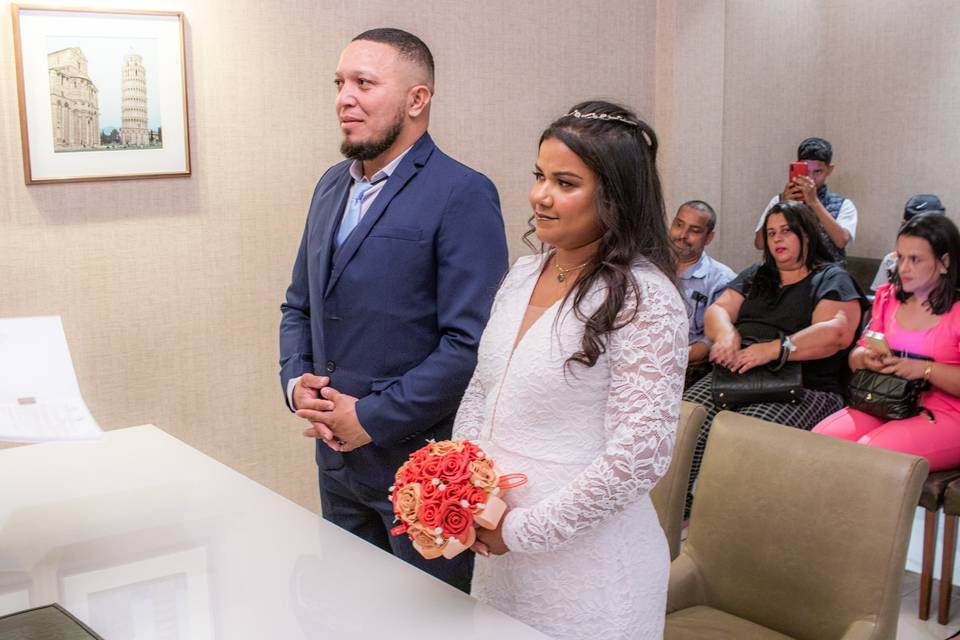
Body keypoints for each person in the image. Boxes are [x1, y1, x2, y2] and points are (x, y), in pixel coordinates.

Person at [278, 28, 508, 593]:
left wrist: (371, 419)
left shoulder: (463, 193)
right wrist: (295, 383)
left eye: (363, 83)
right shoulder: (330, 186)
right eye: (339, 83)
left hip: (419, 470)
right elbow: (298, 306)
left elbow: (469, 345)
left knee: (421, 621)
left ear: (416, 100)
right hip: (335, 465)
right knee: (349, 610)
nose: (343, 98)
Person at [452, 101, 686, 640]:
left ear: (615, 196)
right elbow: (482, 391)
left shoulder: (644, 298)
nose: (540, 195)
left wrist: (523, 529)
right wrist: (464, 487)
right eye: (539, 175)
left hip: (589, 573)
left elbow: (639, 457)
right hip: (499, 552)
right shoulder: (523, 272)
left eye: (565, 182)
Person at [686, 200, 863, 509]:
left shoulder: (831, 278)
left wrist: (771, 350)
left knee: (740, 438)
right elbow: (718, 309)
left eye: (786, 231)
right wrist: (726, 334)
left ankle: (724, 522)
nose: (777, 239)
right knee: (683, 421)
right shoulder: (758, 274)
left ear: (807, 235)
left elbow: (836, 333)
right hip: (739, 375)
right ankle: (679, 510)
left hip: (804, 386)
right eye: (771, 233)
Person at [814, 214, 960, 469]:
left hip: (946, 414)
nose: (903, 268)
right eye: (900, 257)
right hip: (886, 401)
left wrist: (925, 370)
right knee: (819, 443)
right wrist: (865, 358)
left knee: (870, 456)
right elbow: (856, 356)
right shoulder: (888, 298)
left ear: (945, 262)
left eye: (915, 259)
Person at [752, 137, 858, 264]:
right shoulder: (779, 200)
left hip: (827, 276)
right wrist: (782, 206)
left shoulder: (843, 204)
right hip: (785, 272)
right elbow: (759, 243)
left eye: (818, 171)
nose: (811, 178)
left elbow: (841, 241)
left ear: (829, 170)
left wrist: (814, 202)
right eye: (806, 171)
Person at [670, 200, 736, 387]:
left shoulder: (721, 279)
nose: (682, 235)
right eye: (679, 224)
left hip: (690, 367)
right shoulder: (651, 265)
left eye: (695, 230)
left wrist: (673, 356)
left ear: (708, 238)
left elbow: (711, 343)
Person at [871, 194, 946, 291]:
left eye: (930, 228)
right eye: (913, 228)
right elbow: (880, 299)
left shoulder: (951, 263)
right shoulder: (890, 261)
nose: (904, 268)